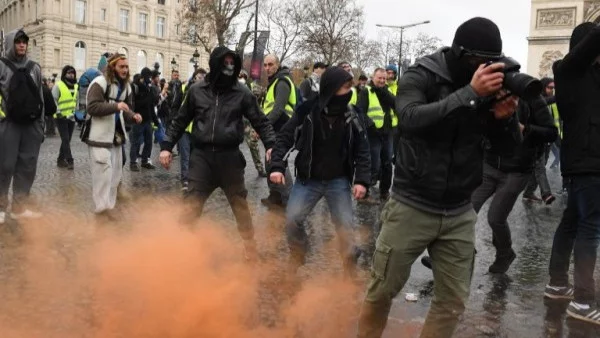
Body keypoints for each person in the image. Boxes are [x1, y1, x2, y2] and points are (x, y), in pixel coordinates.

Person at [357, 17, 521, 338]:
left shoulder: (488, 87)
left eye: (492, 62)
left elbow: (509, 151)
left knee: (452, 302)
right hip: (411, 204)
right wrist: (470, 93)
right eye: (479, 62)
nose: (485, 69)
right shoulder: (422, 74)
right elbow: (410, 118)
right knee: (381, 290)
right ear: (460, 54)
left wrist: (504, 121)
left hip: (459, 210)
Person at [159, 46, 276, 260]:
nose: (229, 67)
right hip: (202, 158)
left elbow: (261, 121)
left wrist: (271, 145)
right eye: (225, 63)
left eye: (233, 63)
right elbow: (180, 120)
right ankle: (182, 247)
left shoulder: (243, 93)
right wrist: (166, 146)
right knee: (192, 203)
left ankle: (249, 245)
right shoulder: (196, 90)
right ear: (215, 64)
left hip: (230, 158)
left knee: (240, 205)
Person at [269, 66, 371, 277]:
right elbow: (285, 137)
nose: (350, 91)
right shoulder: (307, 111)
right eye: (345, 87)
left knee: (345, 227)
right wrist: (277, 166)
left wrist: (361, 180)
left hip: (338, 181)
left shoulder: (353, 115)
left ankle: (349, 263)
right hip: (309, 180)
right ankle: (298, 253)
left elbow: (363, 149)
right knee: (292, 219)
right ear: (332, 88)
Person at [545, 22, 600, 325]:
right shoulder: (568, 70)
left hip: (585, 161)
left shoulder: (590, 76)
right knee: (589, 230)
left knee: (572, 224)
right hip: (588, 162)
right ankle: (582, 300)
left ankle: (557, 284)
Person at [470, 97, 557, 273]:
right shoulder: (490, 97)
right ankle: (460, 255)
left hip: (517, 170)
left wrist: (526, 129)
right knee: (465, 211)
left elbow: (551, 133)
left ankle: (505, 253)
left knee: (495, 217)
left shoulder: (533, 99)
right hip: (490, 164)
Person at [83, 53, 142, 218]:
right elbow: (92, 107)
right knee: (103, 173)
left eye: (126, 66)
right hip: (99, 137)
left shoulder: (127, 87)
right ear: (112, 67)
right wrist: (115, 106)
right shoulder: (99, 83)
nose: (125, 69)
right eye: (121, 66)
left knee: (115, 175)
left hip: (116, 137)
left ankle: (110, 207)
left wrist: (133, 116)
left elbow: (127, 109)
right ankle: (101, 210)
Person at [0, 28, 46, 223]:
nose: (21, 45)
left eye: (24, 42)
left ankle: (19, 207)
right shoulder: (1, 66)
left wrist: (41, 126)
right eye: (18, 41)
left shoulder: (35, 67)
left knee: (27, 167)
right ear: (11, 43)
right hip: (8, 124)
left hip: (31, 126)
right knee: (5, 166)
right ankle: (1, 208)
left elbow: (41, 99)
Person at [357, 68, 396, 203]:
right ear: (373, 77)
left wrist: (384, 91)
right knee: (373, 163)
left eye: (384, 78)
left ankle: (384, 192)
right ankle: (364, 192)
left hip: (387, 132)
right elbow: (360, 112)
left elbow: (395, 104)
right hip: (373, 134)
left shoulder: (387, 90)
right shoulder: (366, 91)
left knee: (387, 163)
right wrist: (370, 125)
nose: (382, 81)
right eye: (380, 78)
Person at [261, 54, 295, 210]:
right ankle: (275, 197)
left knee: (278, 162)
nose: (267, 68)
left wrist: (262, 126)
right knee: (270, 162)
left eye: (270, 64)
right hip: (275, 127)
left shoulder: (282, 82)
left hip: (282, 128)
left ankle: (290, 201)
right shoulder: (275, 81)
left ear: (278, 64)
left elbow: (278, 109)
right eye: (265, 65)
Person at [522, 77, 557, 205]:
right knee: (540, 168)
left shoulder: (546, 101)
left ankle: (528, 192)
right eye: (549, 87)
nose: (551, 90)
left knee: (537, 169)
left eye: (553, 88)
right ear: (543, 87)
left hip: (546, 141)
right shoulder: (535, 99)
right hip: (534, 141)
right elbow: (546, 101)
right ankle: (546, 193)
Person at [129, 67, 159, 171]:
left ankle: (145, 161)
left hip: (148, 120)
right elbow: (133, 104)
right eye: (149, 77)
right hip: (138, 119)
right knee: (136, 142)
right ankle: (133, 162)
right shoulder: (136, 87)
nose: (150, 79)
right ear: (143, 76)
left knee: (149, 142)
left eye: (151, 77)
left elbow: (151, 105)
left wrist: (155, 120)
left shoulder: (149, 88)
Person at [239, 69, 267, 177]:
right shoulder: (232, 88)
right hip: (235, 122)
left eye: (243, 76)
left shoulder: (251, 88)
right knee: (230, 146)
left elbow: (258, 102)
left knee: (253, 145)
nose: (241, 78)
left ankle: (260, 168)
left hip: (247, 122)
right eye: (239, 76)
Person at [52, 65, 79, 170]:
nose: (71, 75)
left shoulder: (76, 86)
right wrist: (58, 112)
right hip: (60, 117)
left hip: (71, 117)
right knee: (66, 139)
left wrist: (75, 112)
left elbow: (75, 101)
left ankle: (60, 159)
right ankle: (70, 160)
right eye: (69, 73)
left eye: (73, 73)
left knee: (67, 140)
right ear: (64, 74)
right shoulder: (58, 85)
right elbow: (53, 100)